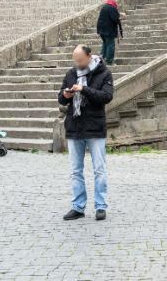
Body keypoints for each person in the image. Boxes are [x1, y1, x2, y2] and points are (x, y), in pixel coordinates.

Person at [58, 45, 114, 221]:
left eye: (80, 60)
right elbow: (60, 97)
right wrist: (66, 95)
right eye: (76, 60)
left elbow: (106, 97)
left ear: (89, 56)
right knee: (75, 171)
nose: (78, 64)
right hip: (75, 126)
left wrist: (84, 90)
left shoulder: (104, 73)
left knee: (99, 169)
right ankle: (78, 206)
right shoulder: (71, 74)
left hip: (95, 127)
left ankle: (100, 206)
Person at [96, 0, 123, 65]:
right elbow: (115, 18)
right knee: (110, 44)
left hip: (101, 30)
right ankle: (109, 61)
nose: (116, 4)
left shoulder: (104, 7)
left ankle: (102, 58)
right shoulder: (112, 8)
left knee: (105, 43)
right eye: (116, 2)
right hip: (109, 30)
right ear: (114, 1)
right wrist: (120, 18)